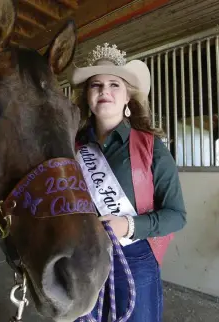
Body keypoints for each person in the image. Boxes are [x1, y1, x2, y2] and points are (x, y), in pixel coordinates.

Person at [70, 43, 187, 322]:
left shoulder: (151, 147)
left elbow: (177, 216)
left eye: (114, 84)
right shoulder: (71, 148)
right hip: (81, 258)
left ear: (127, 98)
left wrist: (129, 225)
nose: (104, 91)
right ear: (87, 96)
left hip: (134, 260)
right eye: (95, 85)